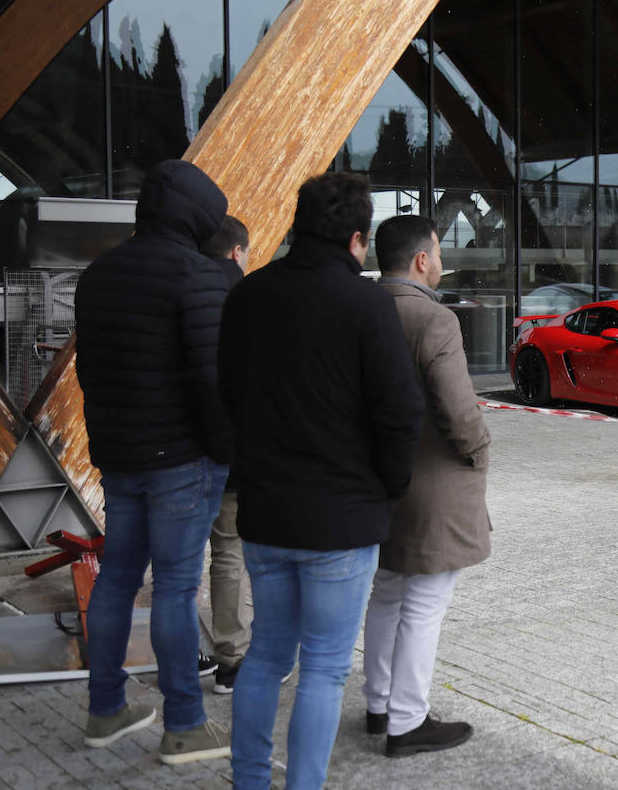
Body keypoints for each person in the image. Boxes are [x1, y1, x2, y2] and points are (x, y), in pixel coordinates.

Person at [219, 172, 424, 790]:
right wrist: (387, 487)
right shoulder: (366, 305)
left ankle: (250, 780)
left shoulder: (248, 296)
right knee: (326, 670)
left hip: (266, 513)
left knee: (266, 654)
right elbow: (401, 411)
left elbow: (227, 392)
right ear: (357, 240)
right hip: (342, 518)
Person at [74, 159, 232, 764]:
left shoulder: (99, 274)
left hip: (120, 455)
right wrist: (230, 454)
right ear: (195, 219)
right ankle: (186, 724)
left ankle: (106, 709)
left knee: (115, 580)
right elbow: (215, 382)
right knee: (174, 587)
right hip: (182, 461)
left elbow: (90, 372)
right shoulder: (197, 276)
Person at [362, 216, 491, 757]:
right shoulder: (434, 321)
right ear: (422, 260)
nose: (440, 261)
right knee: (425, 603)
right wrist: (479, 452)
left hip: (376, 480)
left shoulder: (362, 310)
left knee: (387, 591)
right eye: (438, 252)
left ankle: (378, 703)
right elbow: (458, 412)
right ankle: (408, 721)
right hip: (434, 482)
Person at [199, 215, 251, 692]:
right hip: (240, 450)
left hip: (181, 448)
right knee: (233, 551)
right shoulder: (252, 296)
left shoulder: (181, 286)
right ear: (238, 252)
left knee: (183, 559)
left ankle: (199, 654)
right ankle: (234, 659)